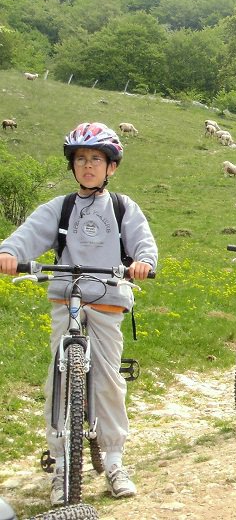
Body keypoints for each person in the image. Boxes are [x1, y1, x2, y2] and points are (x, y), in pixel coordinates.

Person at [0, 122, 158, 504]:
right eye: (82, 159)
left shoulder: (123, 207)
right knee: (58, 379)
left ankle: (115, 460)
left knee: (108, 381)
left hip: (107, 300)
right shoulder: (61, 207)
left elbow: (143, 243)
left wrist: (142, 262)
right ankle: (59, 463)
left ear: (111, 167)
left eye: (97, 160)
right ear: (73, 165)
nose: (88, 166)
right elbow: (28, 234)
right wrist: (9, 253)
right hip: (66, 297)